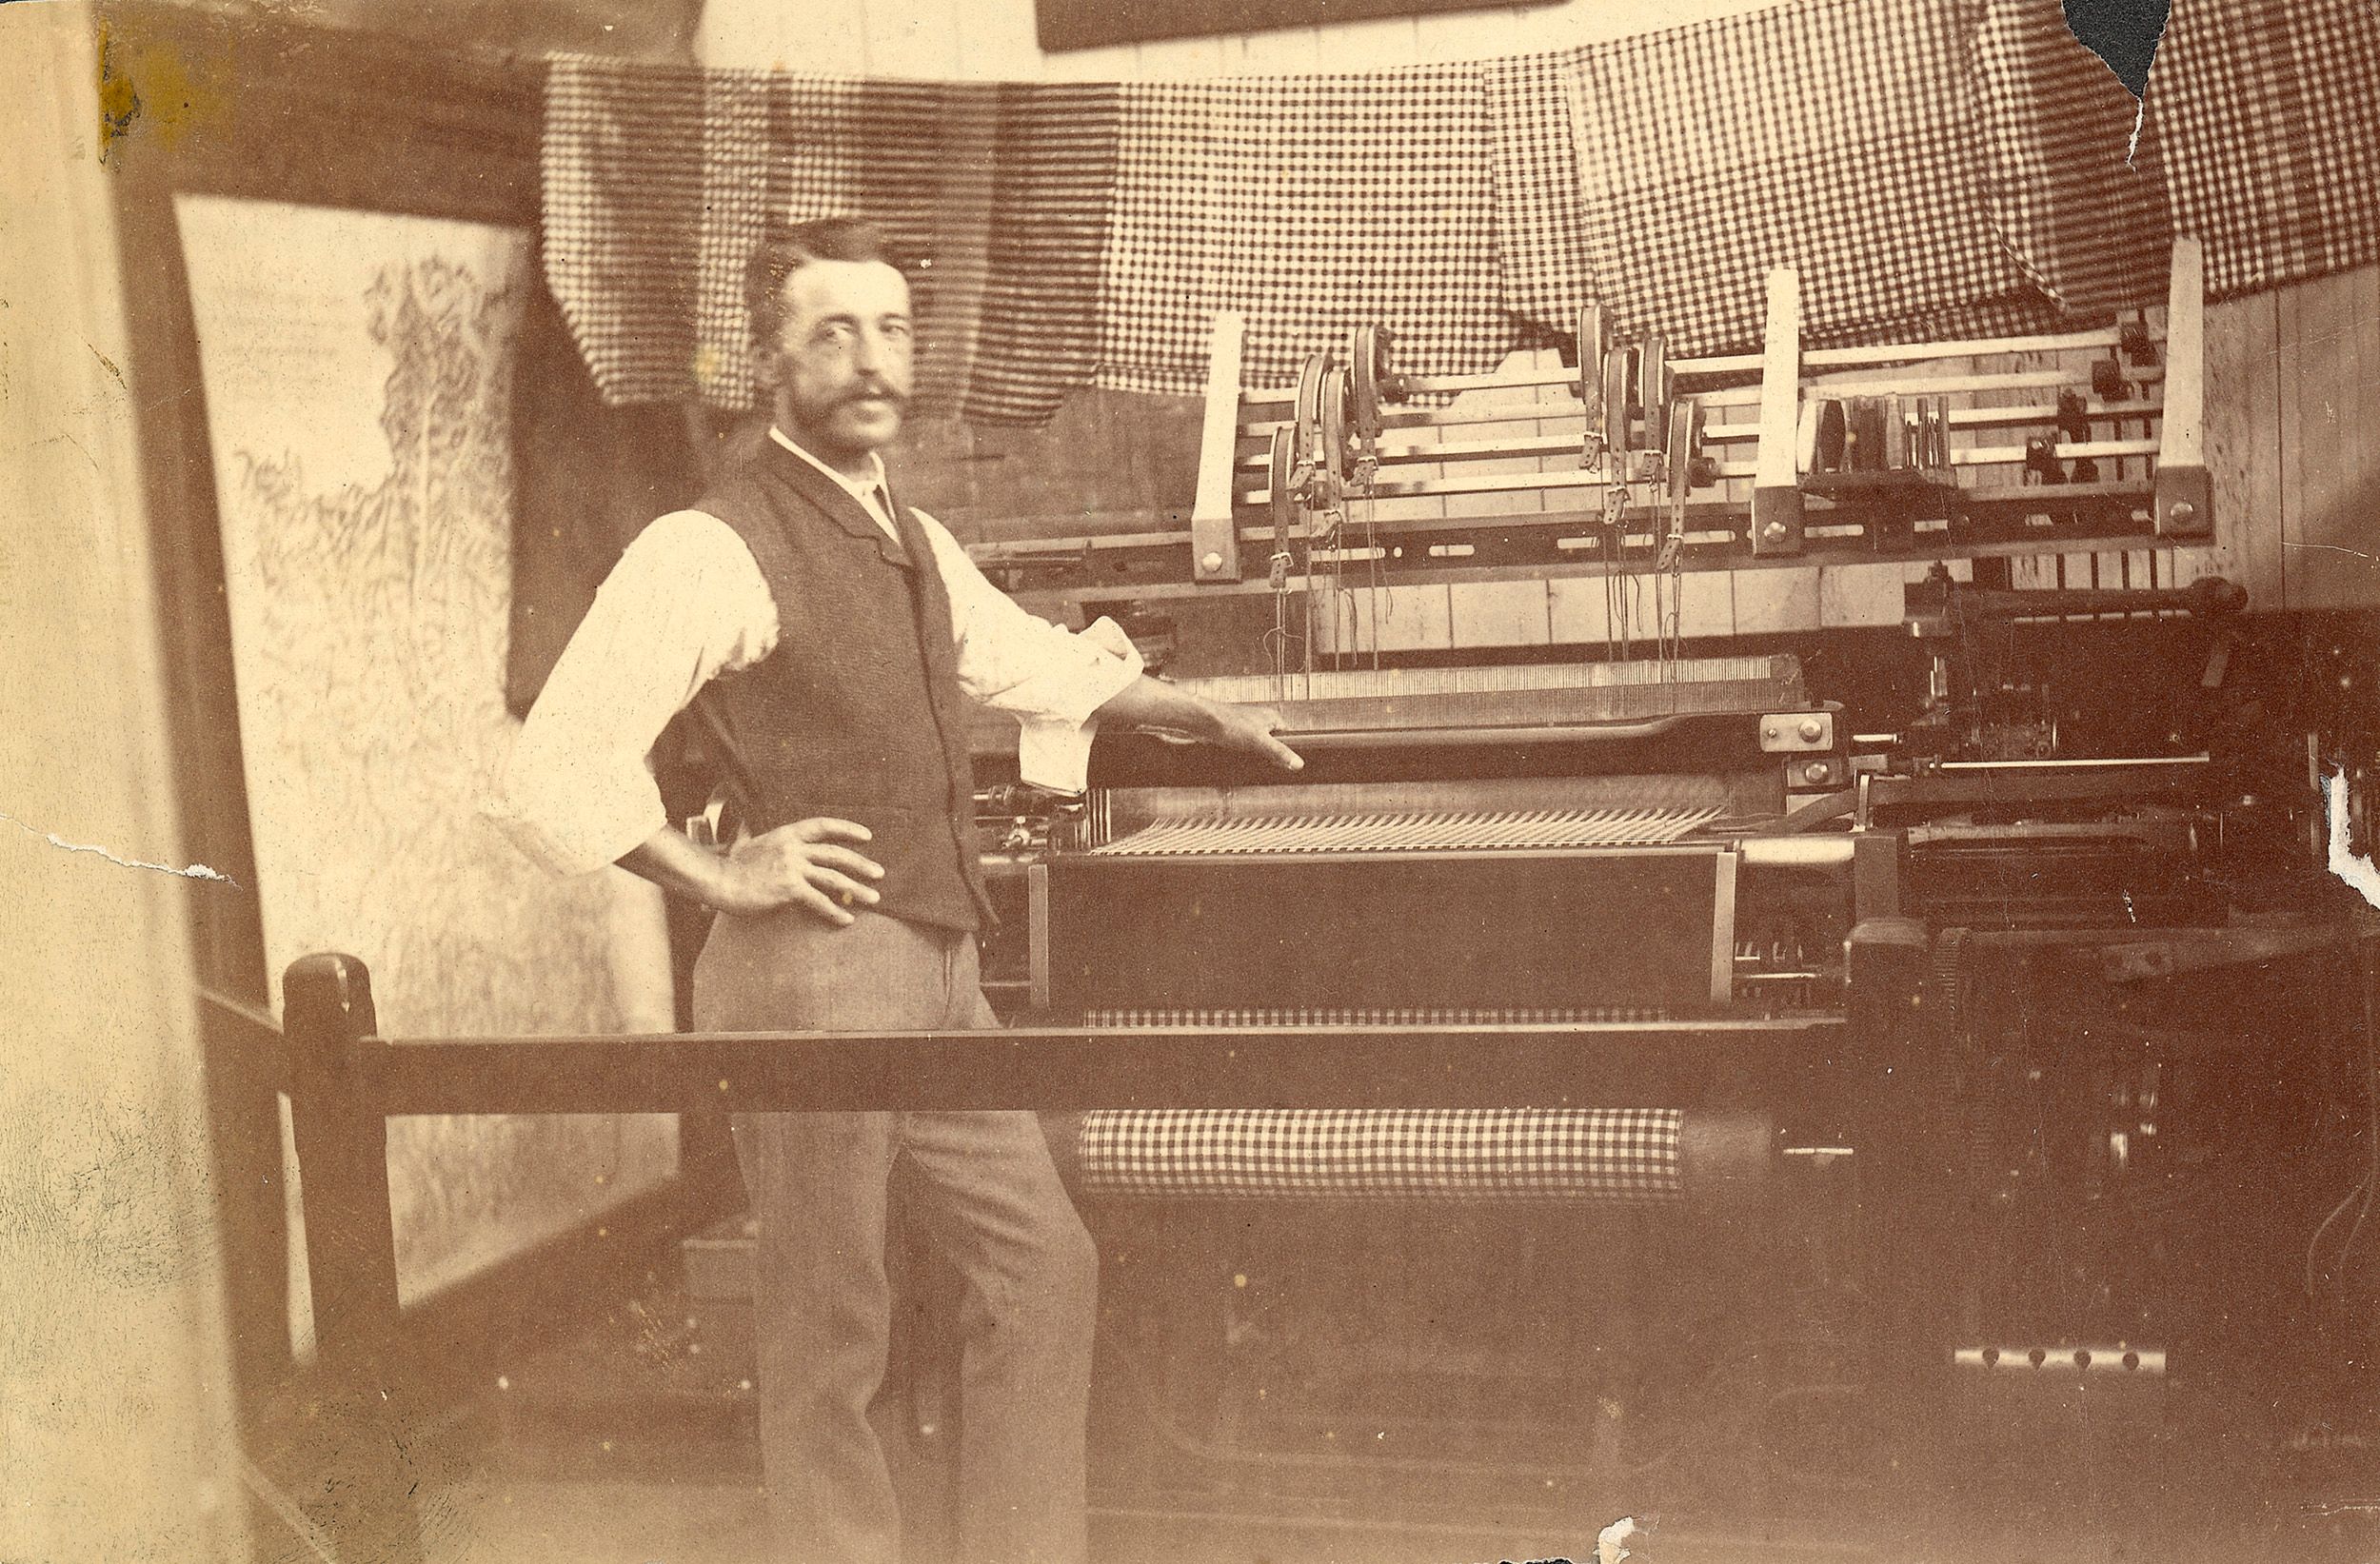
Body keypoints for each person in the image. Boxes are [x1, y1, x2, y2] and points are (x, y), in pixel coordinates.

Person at [495, 216, 1300, 1564]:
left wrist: (1193, 711)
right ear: (769, 360)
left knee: (1043, 1273)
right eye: (832, 333)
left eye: (891, 329)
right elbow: (554, 764)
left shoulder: (909, 534)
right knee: (831, 1332)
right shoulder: (710, 545)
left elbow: (1021, 656)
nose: (871, 360)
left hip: (935, 974)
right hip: (809, 976)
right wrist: (717, 871)